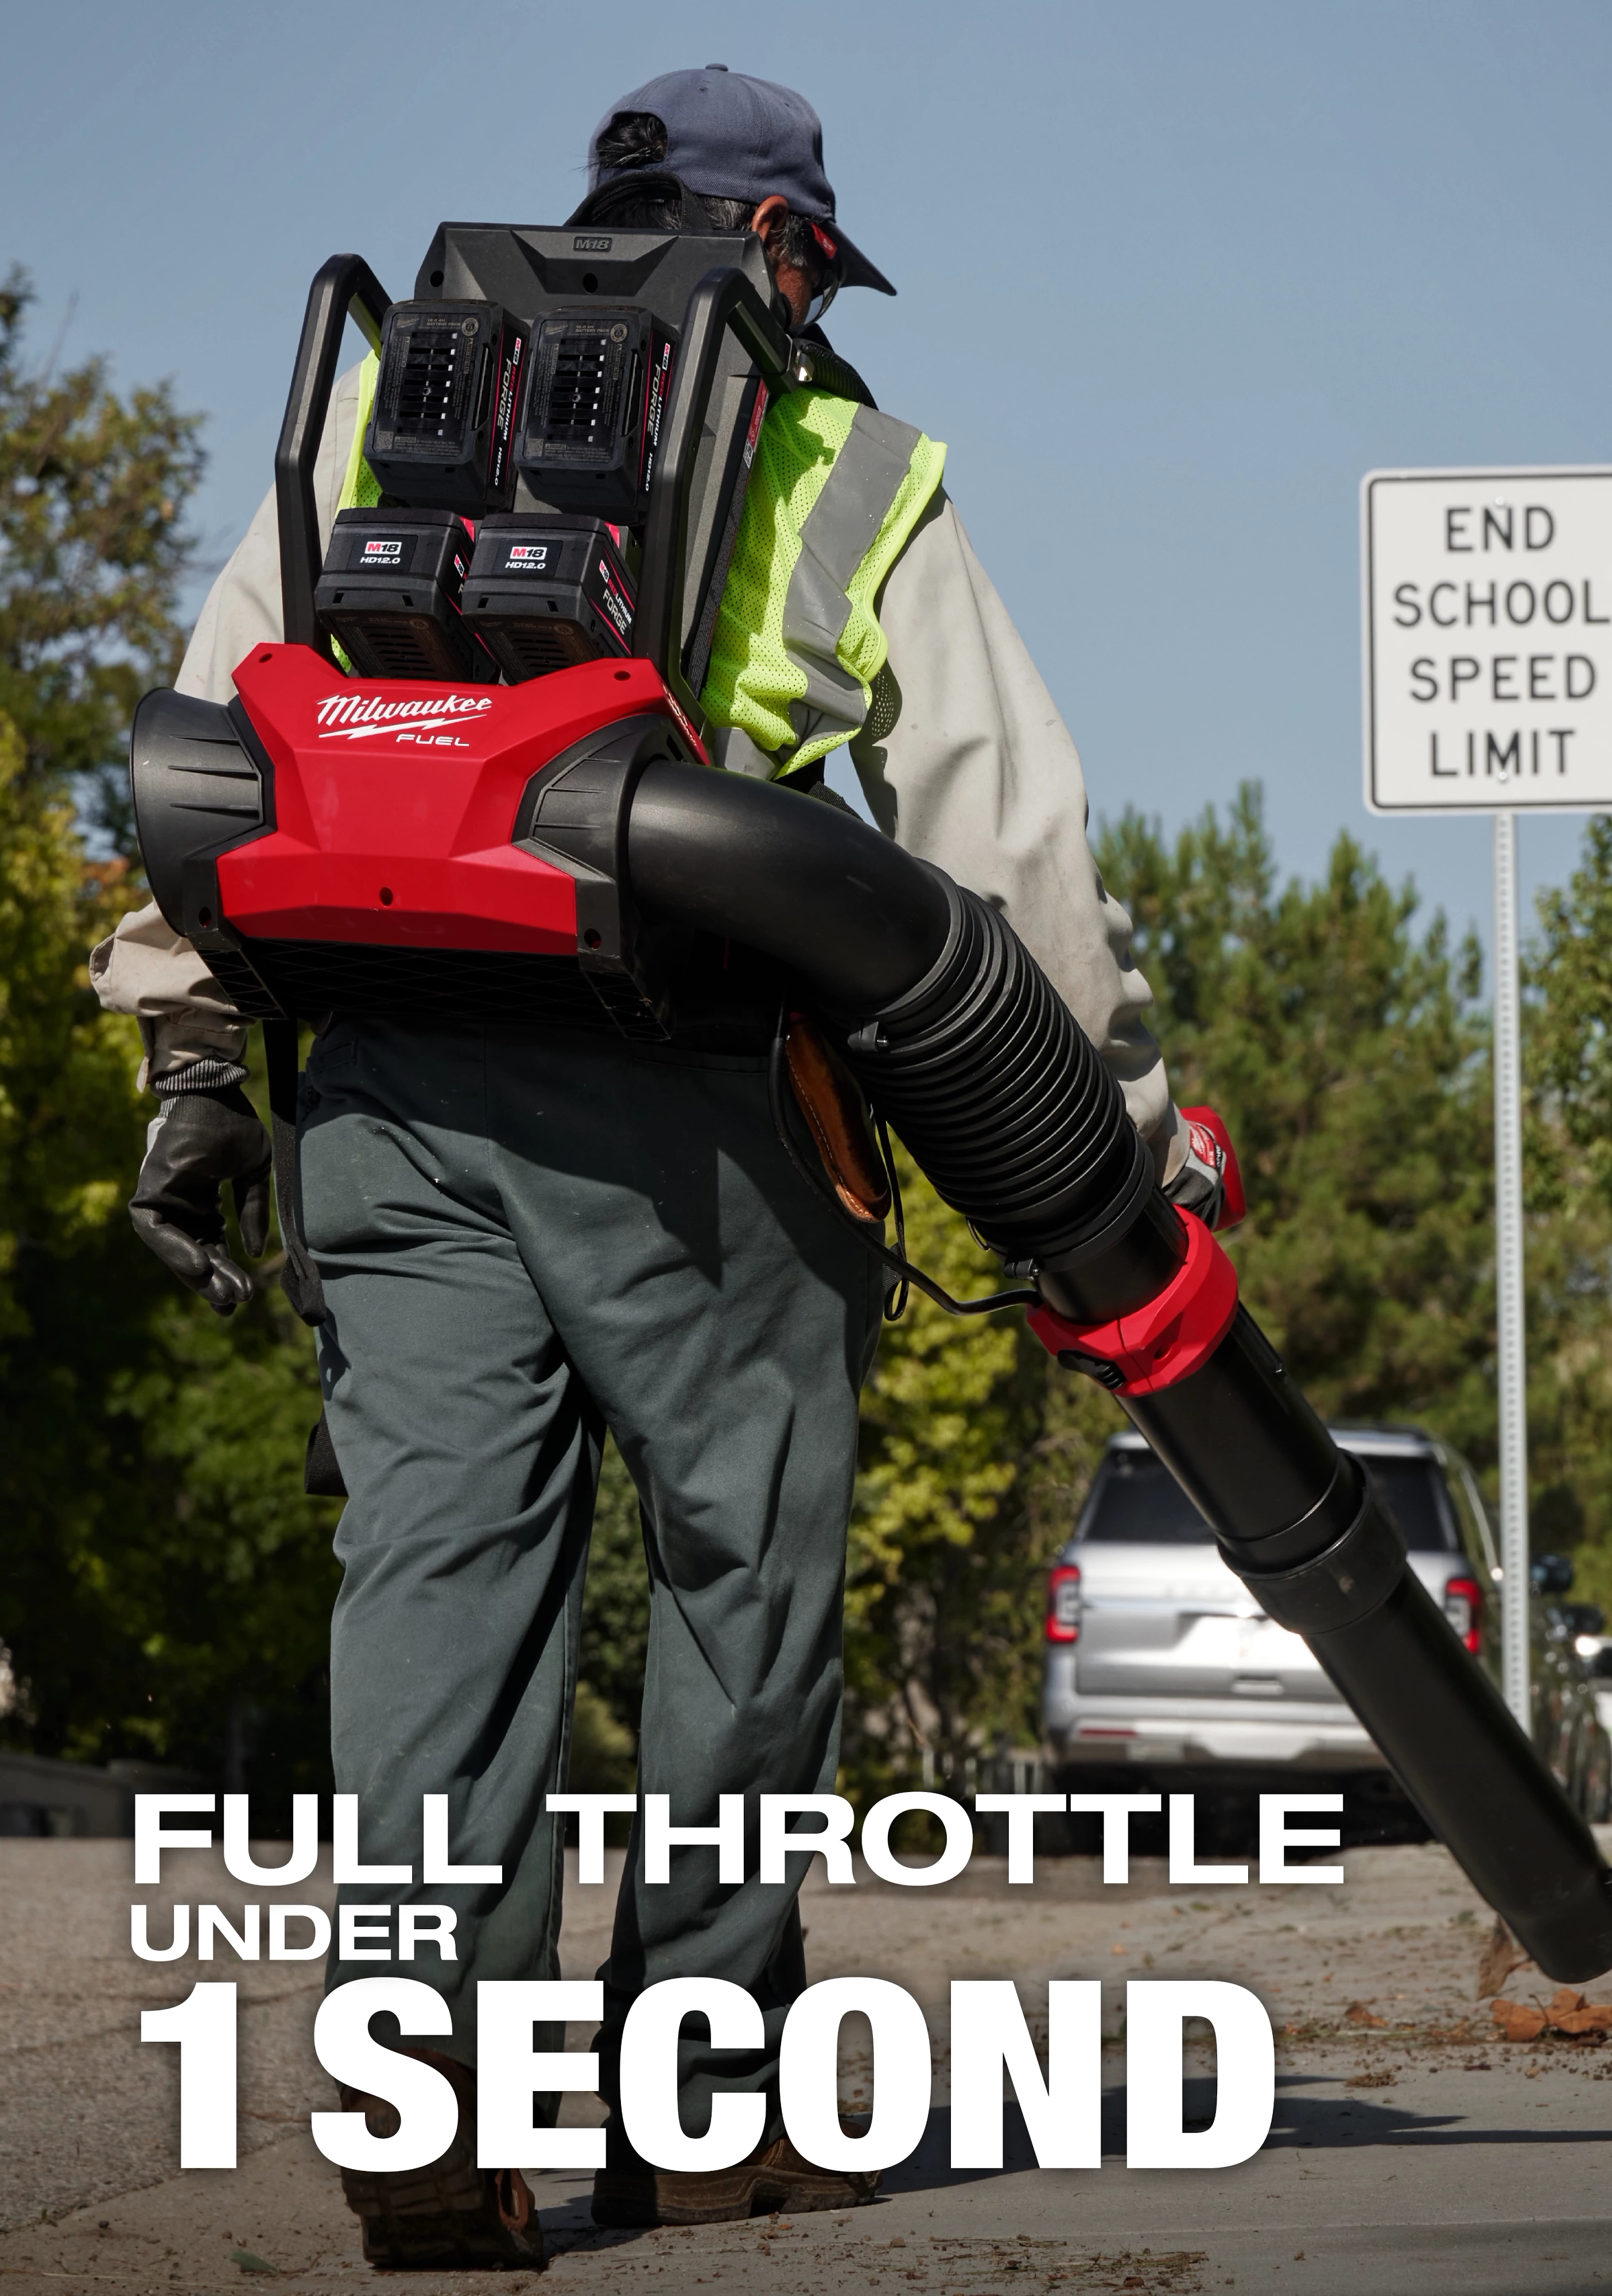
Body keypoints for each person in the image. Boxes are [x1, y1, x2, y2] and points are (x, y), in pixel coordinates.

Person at [95, 64, 1215, 2268]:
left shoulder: (384, 410)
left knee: (431, 1587)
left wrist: (191, 1050)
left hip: (391, 1093)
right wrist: (1127, 1147)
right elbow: (1007, 838)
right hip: (695, 1111)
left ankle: (425, 2100)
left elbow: (218, 734)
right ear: (787, 246)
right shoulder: (842, 458)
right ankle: (702, 2104)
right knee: (740, 1584)